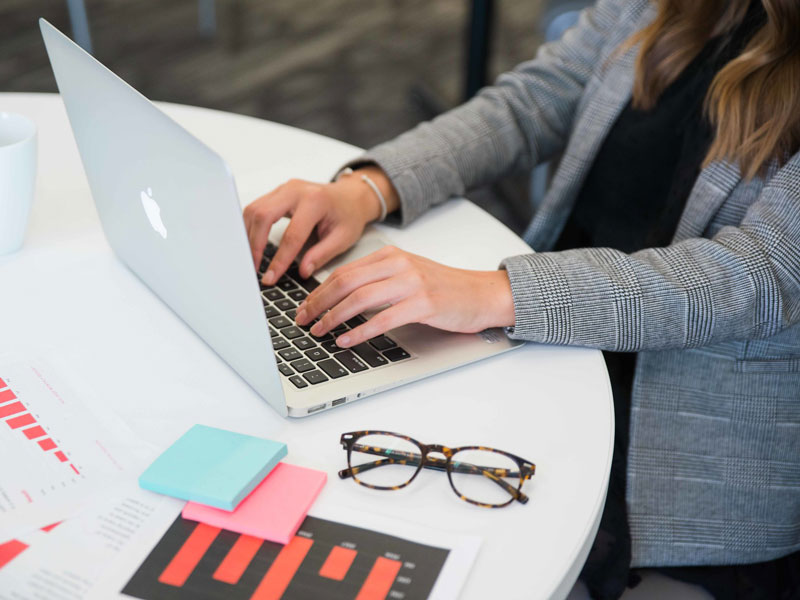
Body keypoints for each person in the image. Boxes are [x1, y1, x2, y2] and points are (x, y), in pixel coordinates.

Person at [243, 0, 800, 597]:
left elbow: (761, 273)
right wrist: (371, 188)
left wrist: (500, 292)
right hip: (552, 340)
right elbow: (533, 100)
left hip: (691, 430)